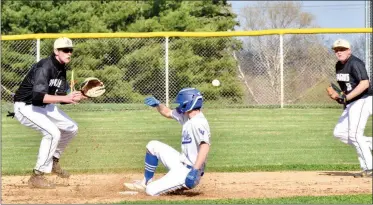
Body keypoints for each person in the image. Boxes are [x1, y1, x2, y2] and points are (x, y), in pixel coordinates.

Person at [12, 37, 86, 188]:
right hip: (26, 106)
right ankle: (37, 175)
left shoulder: (61, 68)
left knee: (72, 128)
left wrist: (79, 96)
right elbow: (38, 95)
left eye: (70, 50)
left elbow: (59, 97)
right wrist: (65, 97)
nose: (69, 53)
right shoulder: (45, 67)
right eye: (65, 50)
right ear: (56, 51)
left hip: (45, 106)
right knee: (52, 133)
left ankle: (53, 161)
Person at [123, 88, 211, 196]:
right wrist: (158, 105)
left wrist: (194, 170)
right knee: (153, 145)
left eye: (181, 102)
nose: (179, 105)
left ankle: (175, 185)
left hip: (189, 172)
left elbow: (205, 146)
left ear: (188, 102)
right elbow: (168, 112)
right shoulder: (187, 116)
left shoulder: (198, 122)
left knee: (151, 190)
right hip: (180, 162)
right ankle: (146, 182)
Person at [330, 39, 372, 178]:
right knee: (340, 133)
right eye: (336, 50)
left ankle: (369, 168)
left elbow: (365, 83)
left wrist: (347, 98)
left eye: (342, 49)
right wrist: (339, 97)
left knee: (355, 134)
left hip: (363, 100)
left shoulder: (355, 63)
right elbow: (346, 91)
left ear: (349, 50)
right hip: (352, 103)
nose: (339, 52)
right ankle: (367, 146)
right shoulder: (338, 66)